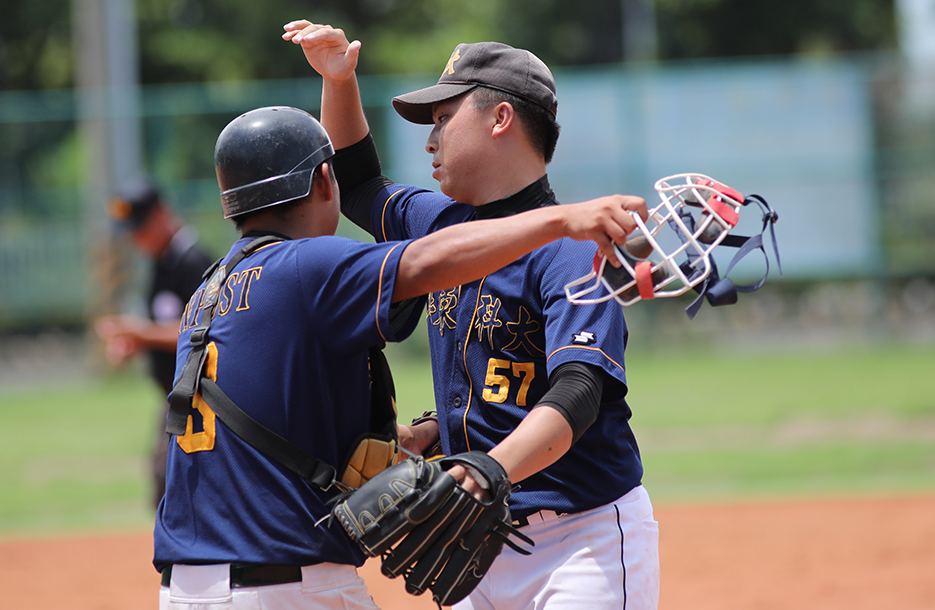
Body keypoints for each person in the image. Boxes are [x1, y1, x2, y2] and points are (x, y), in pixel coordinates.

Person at [152, 105, 648, 609]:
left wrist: (419, 434)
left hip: (189, 585)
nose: (431, 140)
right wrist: (564, 220)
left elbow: (277, 405)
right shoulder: (309, 266)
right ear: (326, 181)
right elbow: (428, 257)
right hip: (287, 584)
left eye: (443, 120)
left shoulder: (210, 289)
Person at [285, 21, 661, 610]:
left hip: (578, 537)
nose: (429, 141)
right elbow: (358, 185)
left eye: (442, 119)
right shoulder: (443, 227)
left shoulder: (571, 249)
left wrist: (487, 469)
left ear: (500, 118)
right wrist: (340, 80)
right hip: (478, 533)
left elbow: (579, 390)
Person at [96, 180, 215, 509]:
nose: (136, 239)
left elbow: (205, 330)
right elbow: (165, 328)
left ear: (162, 214)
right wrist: (134, 342)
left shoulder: (192, 262)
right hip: (175, 398)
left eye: (141, 228)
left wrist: (140, 332)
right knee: (166, 487)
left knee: (174, 490)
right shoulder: (163, 263)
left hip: (202, 398)